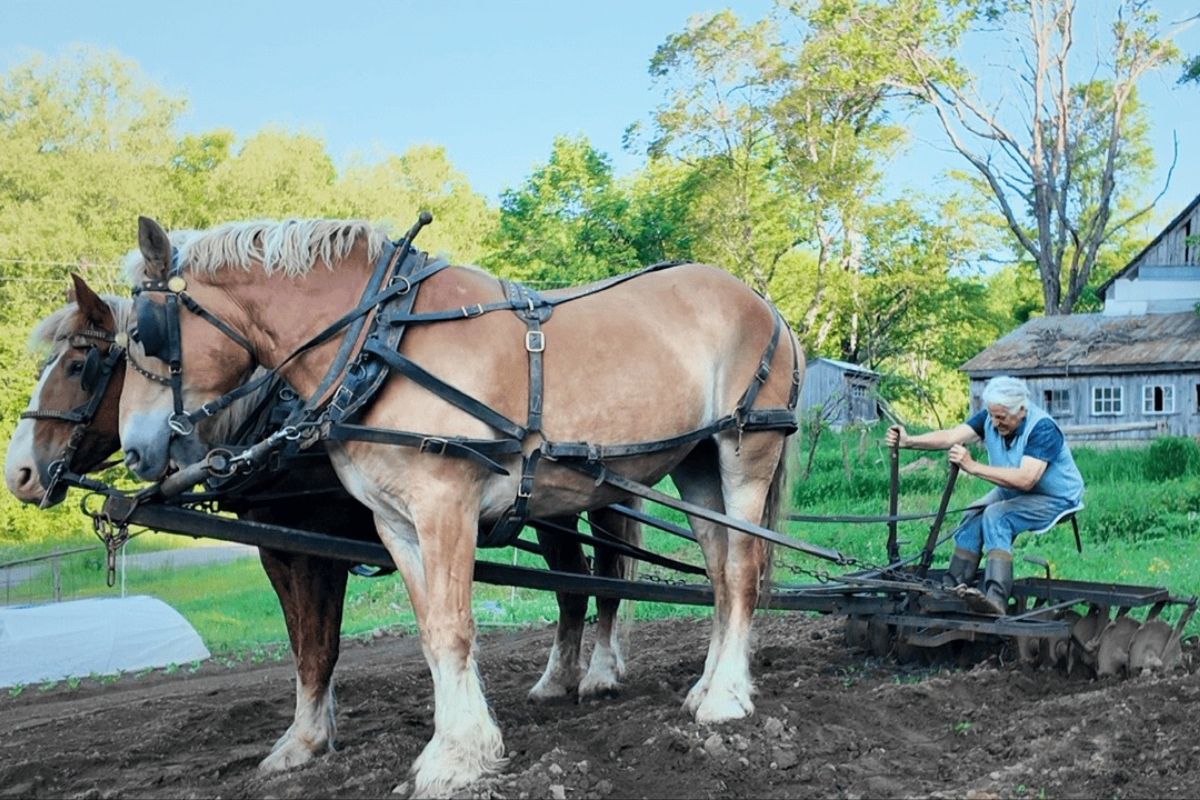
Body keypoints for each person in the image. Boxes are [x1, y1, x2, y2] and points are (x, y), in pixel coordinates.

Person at [885, 376, 1085, 615]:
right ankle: (954, 585)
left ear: (1021, 409)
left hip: (1056, 497)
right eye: (992, 415)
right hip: (1014, 489)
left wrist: (973, 466)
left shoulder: (1042, 428)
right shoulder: (992, 418)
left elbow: (1027, 479)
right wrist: (909, 441)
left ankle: (996, 598)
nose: (995, 422)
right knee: (973, 514)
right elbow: (951, 437)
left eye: (1002, 417)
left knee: (997, 516)